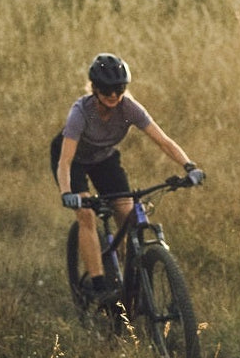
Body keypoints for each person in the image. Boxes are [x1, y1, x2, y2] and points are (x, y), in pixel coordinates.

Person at [52, 53, 204, 303]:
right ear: (94, 88)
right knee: (86, 214)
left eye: (119, 89)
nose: (113, 95)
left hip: (104, 158)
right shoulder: (81, 112)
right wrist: (67, 193)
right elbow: (65, 161)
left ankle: (126, 269)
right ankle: (99, 285)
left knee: (126, 210)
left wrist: (189, 166)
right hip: (74, 160)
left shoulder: (129, 109)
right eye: (106, 89)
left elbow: (164, 142)